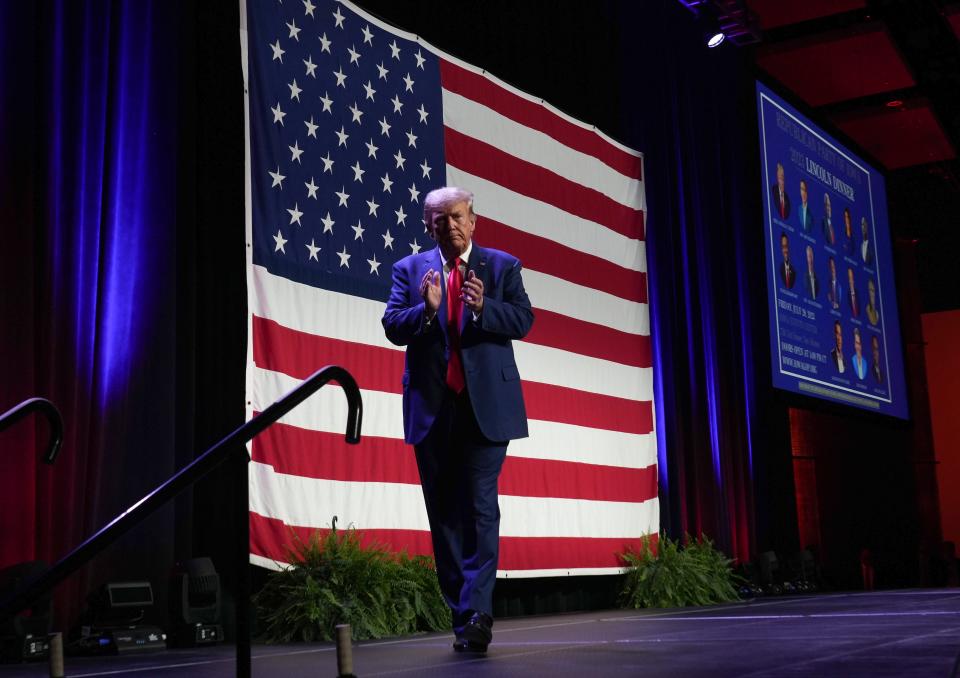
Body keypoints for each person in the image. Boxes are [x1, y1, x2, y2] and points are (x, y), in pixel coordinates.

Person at [381, 186, 534, 654]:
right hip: (433, 411)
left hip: (484, 408)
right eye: (439, 219)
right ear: (427, 225)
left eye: (457, 217)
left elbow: (524, 320)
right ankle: (462, 614)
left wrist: (484, 307)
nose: (450, 226)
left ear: (473, 220)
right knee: (444, 516)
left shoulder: (502, 266)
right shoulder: (409, 270)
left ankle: (480, 613)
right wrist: (425, 311)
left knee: (481, 509)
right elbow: (391, 325)